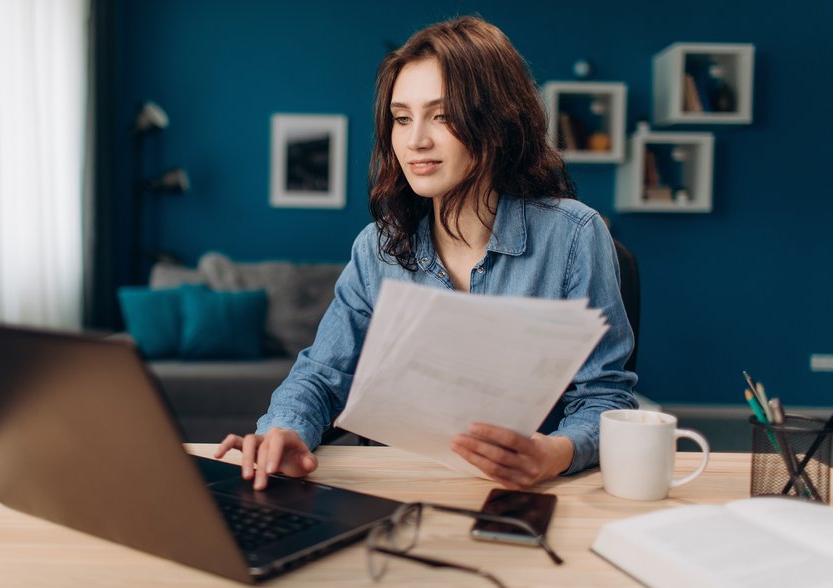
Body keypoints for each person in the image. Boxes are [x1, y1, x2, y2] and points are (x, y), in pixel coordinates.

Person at [216, 15, 637, 490]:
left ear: (496, 122)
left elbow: (605, 400)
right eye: (401, 118)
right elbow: (321, 373)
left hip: (520, 497)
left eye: (442, 115)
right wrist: (283, 431)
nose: (415, 140)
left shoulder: (574, 236)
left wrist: (553, 454)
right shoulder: (376, 249)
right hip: (396, 490)